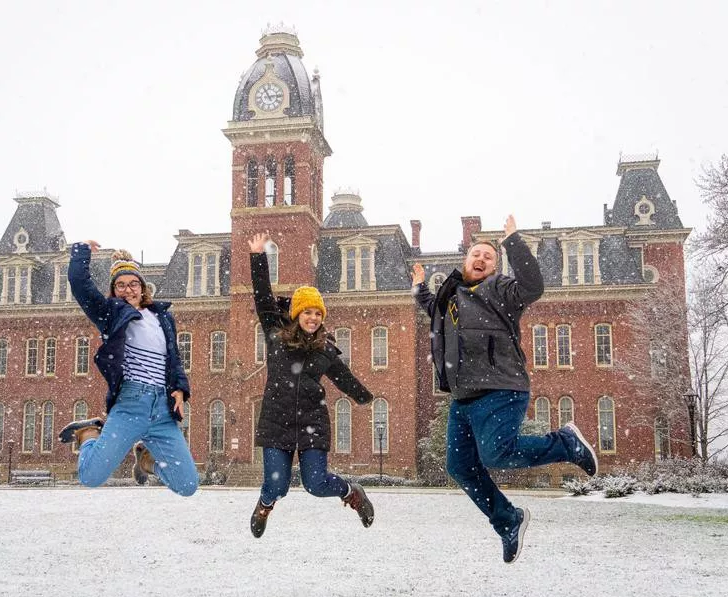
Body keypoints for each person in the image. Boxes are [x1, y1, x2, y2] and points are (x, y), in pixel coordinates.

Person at [412, 215, 597, 563]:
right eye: (475, 255)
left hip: (501, 387)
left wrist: (513, 241)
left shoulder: (501, 291)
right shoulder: (450, 298)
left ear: (495, 267)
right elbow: (430, 307)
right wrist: (419, 288)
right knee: (460, 466)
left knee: (497, 454)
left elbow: (533, 287)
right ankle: (508, 520)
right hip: (463, 399)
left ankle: (567, 444)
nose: (481, 259)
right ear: (464, 262)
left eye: (488, 257)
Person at [247, 232, 375, 538]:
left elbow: (344, 378)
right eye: (308, 312)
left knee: (316, 484)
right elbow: (263, 296)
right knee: (276, 486)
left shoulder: (325, 349)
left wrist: (367, 398)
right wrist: (257, 257)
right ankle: (265, 505)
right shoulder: (276, 335)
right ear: (297, 314)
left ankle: (351, 492)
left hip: (312, 422)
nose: (313, 318)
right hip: (276, 420)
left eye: (318, 313)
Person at [57, 241, 198, 497]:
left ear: (143, 287)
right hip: (131, 404)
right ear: (113, 291)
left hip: (162, 410)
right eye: (120, 285)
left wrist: (179, 388)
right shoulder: (111, 314)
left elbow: (173, 357)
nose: (127, 290)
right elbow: (80, 285)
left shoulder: (163, 318)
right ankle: (88, 433)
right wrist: (80, 252)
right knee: (90, 476)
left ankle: (146, 460)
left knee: (187, 485)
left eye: (133, 283)